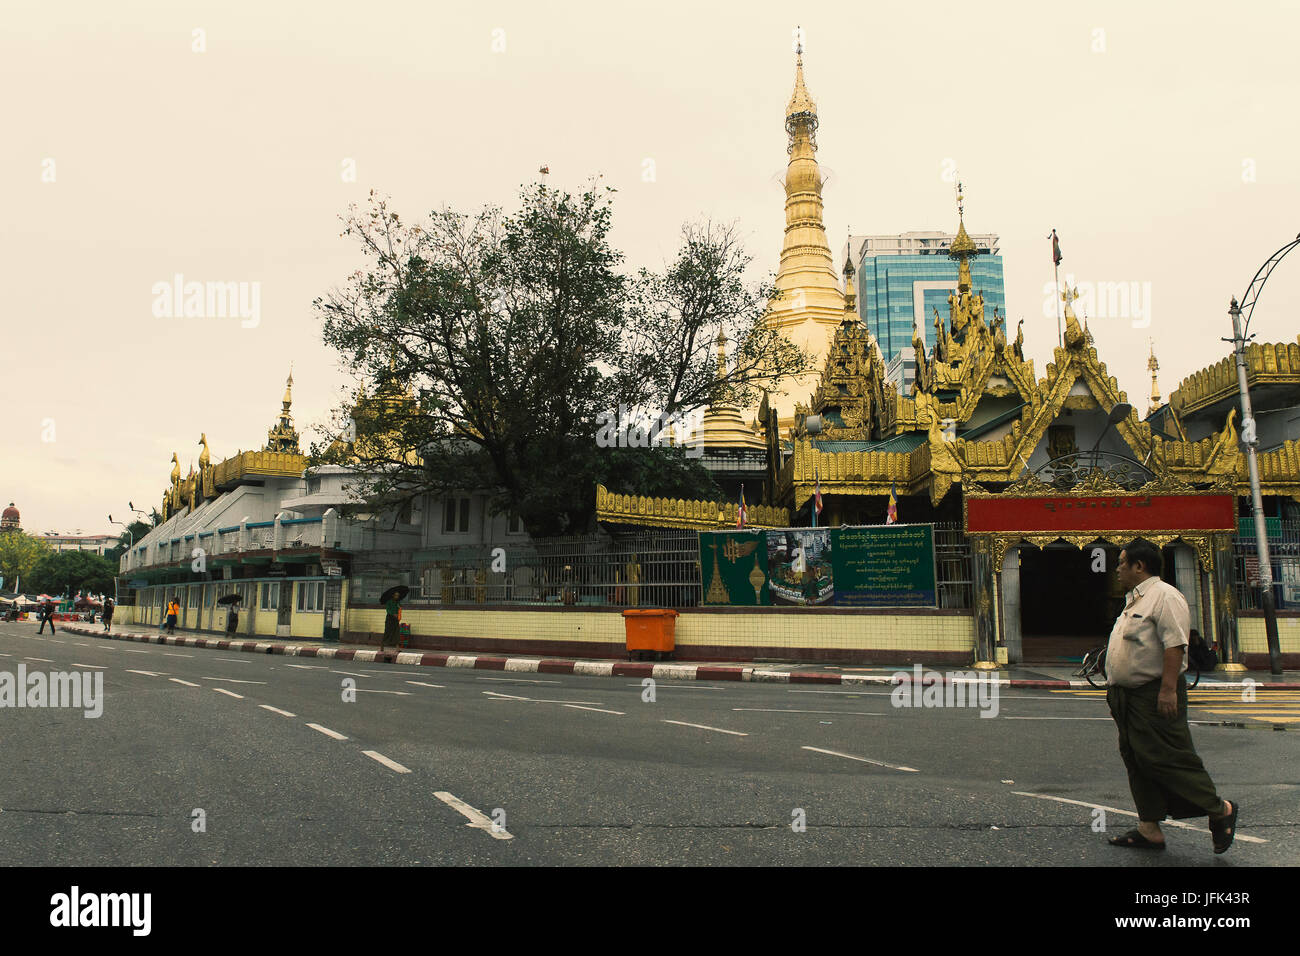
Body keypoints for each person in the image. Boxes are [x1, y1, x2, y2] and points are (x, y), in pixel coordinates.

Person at [1104, 538, 1237, 853]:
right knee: (1136, 758)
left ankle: (1221, 810)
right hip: (1127, 696)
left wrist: (1167, 691)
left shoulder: (1164, 597)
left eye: (1122, 562)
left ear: (1140, 566)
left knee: (1166, 757)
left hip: (1153, 693)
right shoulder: (1135, 600)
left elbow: (1175, 645)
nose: (1118, 569)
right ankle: (1149, 828)